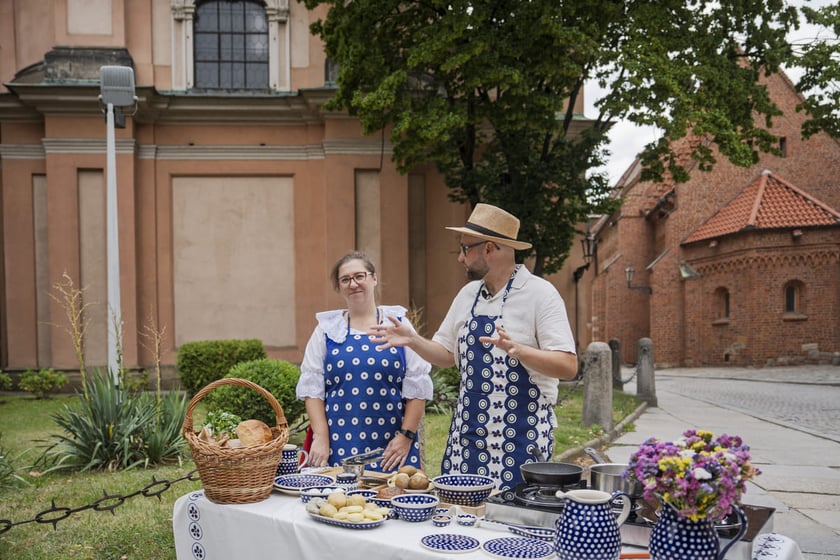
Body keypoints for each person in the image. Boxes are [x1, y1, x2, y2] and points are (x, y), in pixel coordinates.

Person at [370, 203, 578, 489]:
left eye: (465, 248)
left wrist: (519, 350)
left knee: (512, 525)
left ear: (489, 248)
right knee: (460, 518)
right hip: (467, 439)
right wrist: (413, 340)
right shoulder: (468, 295)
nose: (459, 257)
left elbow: (568, 366)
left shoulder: (541, 295)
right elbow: (446, 356)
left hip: (520, 440)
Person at [296, 251, 433, 473]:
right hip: (339, 442)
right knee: (343, 506)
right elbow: (313, 390)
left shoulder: (396, 323)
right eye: (345, 279)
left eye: (360, 276)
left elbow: (417, 388)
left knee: (391, 502)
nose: (353, 284)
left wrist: (406, 436)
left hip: (392, 446)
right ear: (339, 287)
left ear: (373, 278)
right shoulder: (326, 330)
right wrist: (321, 437)